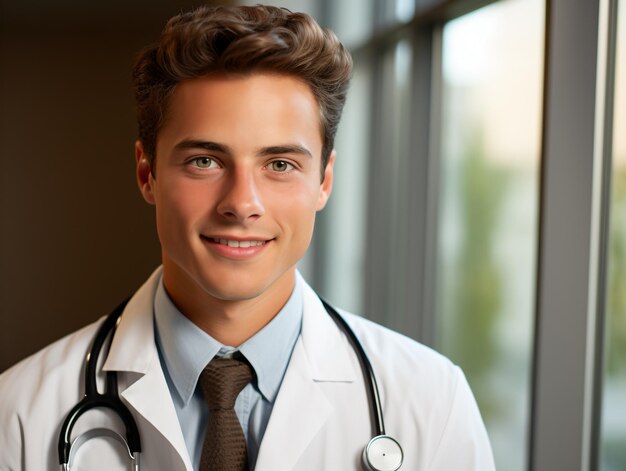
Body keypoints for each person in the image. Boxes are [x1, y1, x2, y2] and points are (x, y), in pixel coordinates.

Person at [0, 5, 494, 471]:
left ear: (324, 181)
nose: (241, 202)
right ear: (146, 173)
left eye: (280, 164)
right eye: (205, 161)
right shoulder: (20, 414)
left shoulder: (431, 402)